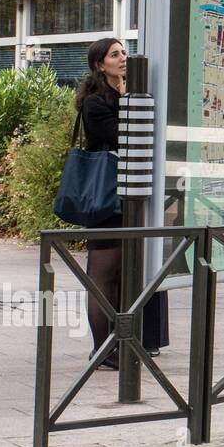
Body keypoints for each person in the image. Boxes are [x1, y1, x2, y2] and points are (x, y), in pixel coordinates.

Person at [75, 38, 127, 371]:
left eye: (124, 53)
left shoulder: (124, 96)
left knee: (119, 276)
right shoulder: (95, 103)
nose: (123, 58)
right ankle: (101, 348)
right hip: (104, 197)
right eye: (115, 54)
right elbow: (124, 135)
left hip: (125, 197)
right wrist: (124, 97)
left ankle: (117, 344)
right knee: (101, 276)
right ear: (100, 64)